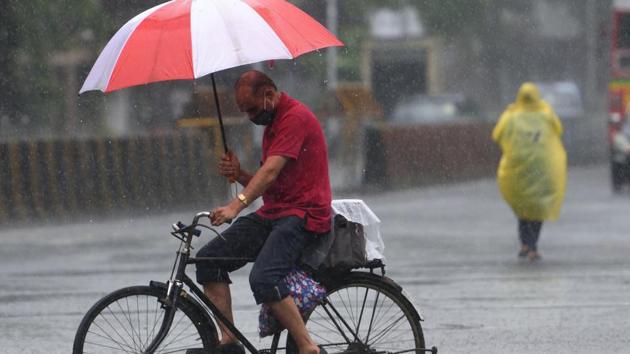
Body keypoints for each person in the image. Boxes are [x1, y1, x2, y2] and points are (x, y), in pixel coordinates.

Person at [195, 70, 332, 354]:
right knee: (209, 259)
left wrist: (236, 205)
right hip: (276, 212)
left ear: (269, 94)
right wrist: (241, 174)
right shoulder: (272, 125)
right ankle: (229, 340)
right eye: (245, 111)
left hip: (304, 215)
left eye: (253, 109)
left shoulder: (294, 118)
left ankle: (308, 347)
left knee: (263, 278)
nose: (250, 117)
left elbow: (269, 173)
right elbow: (270, 184)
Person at [491, 82, 567, 262]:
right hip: (542, 168)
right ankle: (532, 246)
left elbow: (496, 135)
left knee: (522, 207)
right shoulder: (546, 114)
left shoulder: (511, 116)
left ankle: (525, 243)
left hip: (518, 168)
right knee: (538, 207)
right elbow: (559, 130)